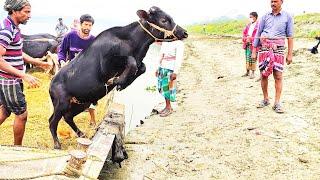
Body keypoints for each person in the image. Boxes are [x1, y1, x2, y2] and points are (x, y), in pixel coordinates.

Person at [0, 0, 52, 145]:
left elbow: (17, 52)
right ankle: (18, 148)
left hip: (8, 79)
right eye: (26, 12)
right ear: (14, 11)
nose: (29, 16)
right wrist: (23, 74)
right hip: (10, 80)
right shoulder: (7, 30)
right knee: (22, 115)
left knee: (5, 110)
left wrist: (38, 62)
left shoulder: (13, 27)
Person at [252, 0, 293, 113]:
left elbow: (290, 37)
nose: (273, 3)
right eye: (271, 1)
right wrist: (254, 51)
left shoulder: (288, 17)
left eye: (275, 1)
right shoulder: (265, 16)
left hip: (278, 49)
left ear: (281, 2)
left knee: (278, 75)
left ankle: (277, 103)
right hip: (264, 48)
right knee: (263, 74)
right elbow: (258, 34)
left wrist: (290, 54)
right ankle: (265, 99)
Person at [57, 14, 96, 126]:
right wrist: (62, 62)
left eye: (90, 25)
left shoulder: (93, 40)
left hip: (86, 73)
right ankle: (60, 116)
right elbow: (61, 51)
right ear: (80, 24)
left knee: (93, 94)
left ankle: (92, 119)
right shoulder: (70, 36)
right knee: (61, 94)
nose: (87, 27)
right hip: (70, 70)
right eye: (85, 24)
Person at [156, 40, 184, 117]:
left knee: (168, 89)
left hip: (170, 69)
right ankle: (167, 106)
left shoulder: (179, 43)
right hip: (163, 67)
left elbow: (179, 58)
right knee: (163, 88)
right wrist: (158, 68)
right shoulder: (166, 42)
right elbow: (161, 55)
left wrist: (175, 72)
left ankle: (169, 107)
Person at [242, 12, 259, 79]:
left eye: (251, 17)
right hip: (247, 44)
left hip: (254, 45)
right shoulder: (248, 25)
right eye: (250, 17)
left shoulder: (258, 26)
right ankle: (247, 72)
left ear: (255, 17)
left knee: (253, 58)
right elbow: (244, 33)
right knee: (247, 58)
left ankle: (253, 73)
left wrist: (251, 39)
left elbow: (258, 35)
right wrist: (246, 39)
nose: (250, 18)